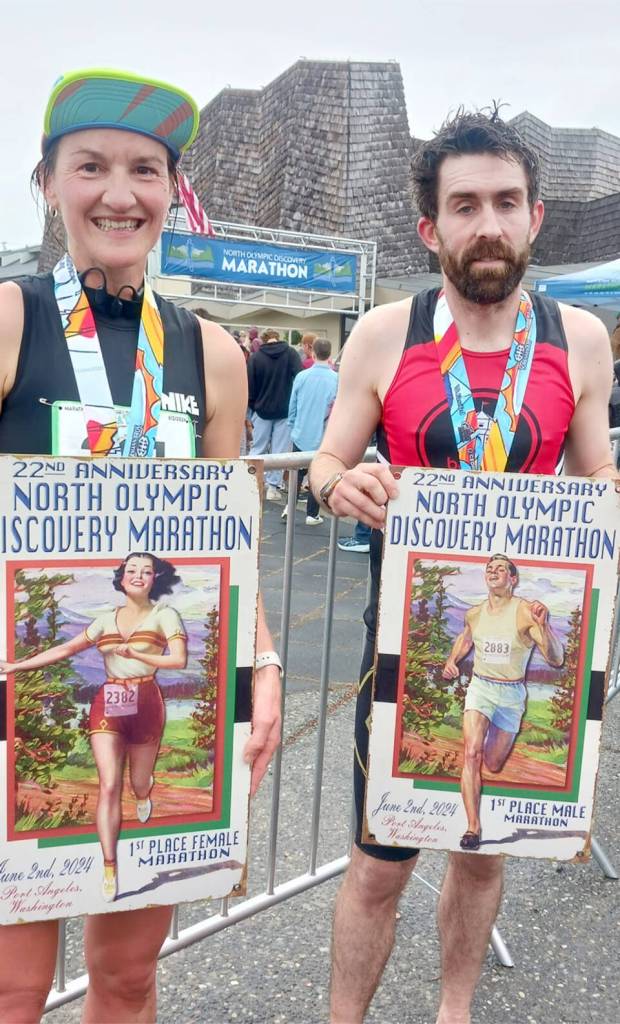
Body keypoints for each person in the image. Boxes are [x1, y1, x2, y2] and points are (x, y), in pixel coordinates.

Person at [309, 106, 617, 1024]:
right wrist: (338, 485)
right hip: (401, 646)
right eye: (466, 204)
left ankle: (455, 1011)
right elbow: (328, 461)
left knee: (483, 853)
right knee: (378, 861)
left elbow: (595, 472)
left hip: (519, 638)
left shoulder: (581, 339)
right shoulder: (384, 332)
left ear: (535, 218)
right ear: (431, 226)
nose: (488, 222)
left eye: (506, 202)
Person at [0, 67, 281, 1023]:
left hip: (152, 687)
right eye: (91, 167)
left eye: (146, 171)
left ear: (171, 192)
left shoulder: (211, 352)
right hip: (22, 695)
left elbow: (228, 536)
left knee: (127, 978)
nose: (120, 194)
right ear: (47, 183)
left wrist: (266, 659)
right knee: (13, 987)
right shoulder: (11, 316)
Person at [1, 553, 188, 901]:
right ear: (121, 577)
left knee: (138, 782)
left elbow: (178, 659)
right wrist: (15, 666)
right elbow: (69, 647)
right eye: (131, 570)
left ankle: (145, 793)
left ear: (154, 579)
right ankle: (109, 865)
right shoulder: (105, 620)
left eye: (146, 571)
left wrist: (138, 655)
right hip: (109, 702)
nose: (138, 575)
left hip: (146, 699)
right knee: (110, 784)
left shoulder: (165, 615)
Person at [442, 554, 563, 850]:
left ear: (513, 579)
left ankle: (485, 775)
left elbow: (556, 659)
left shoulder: (524, 612)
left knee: (493, 763)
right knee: (471, 753)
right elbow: (467, 638)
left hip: (511, 694)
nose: (493, 572)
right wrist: (451, 660)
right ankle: (473, 827)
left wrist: (544, 627)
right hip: (481, 687)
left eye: (501, 569)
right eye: (490, 569)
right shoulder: (475, 612)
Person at [285, 337, 338, 525]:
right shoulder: (337, 379)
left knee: (296, 473)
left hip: (300, 433)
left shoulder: (302, 376)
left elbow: (293, 405)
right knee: (317, 476)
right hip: (324, 436)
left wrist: (292, 424)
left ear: (313, 353)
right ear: (329, 354)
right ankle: (312, 513)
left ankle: (288, 507)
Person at [247, 327, 302, 500]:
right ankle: (273, 487)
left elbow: (250, 386)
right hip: (284, 410)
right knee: (279, 452)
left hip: (261, 410)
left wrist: (252, 408)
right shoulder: (291, 354)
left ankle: (250, 483)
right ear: (277, 338)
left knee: (258, 448)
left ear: (263, 340)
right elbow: (299, 378)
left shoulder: (256, 358)